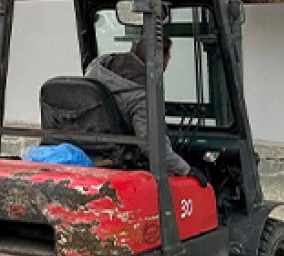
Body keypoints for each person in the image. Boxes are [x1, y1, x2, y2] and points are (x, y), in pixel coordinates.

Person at [84, 35, 204, 182]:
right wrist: (186, 169)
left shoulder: (97, 71)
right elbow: (152, 146)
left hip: (87, 152)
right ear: (161, 60)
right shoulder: (141, 96)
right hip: (118, 160)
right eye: (168, 58)